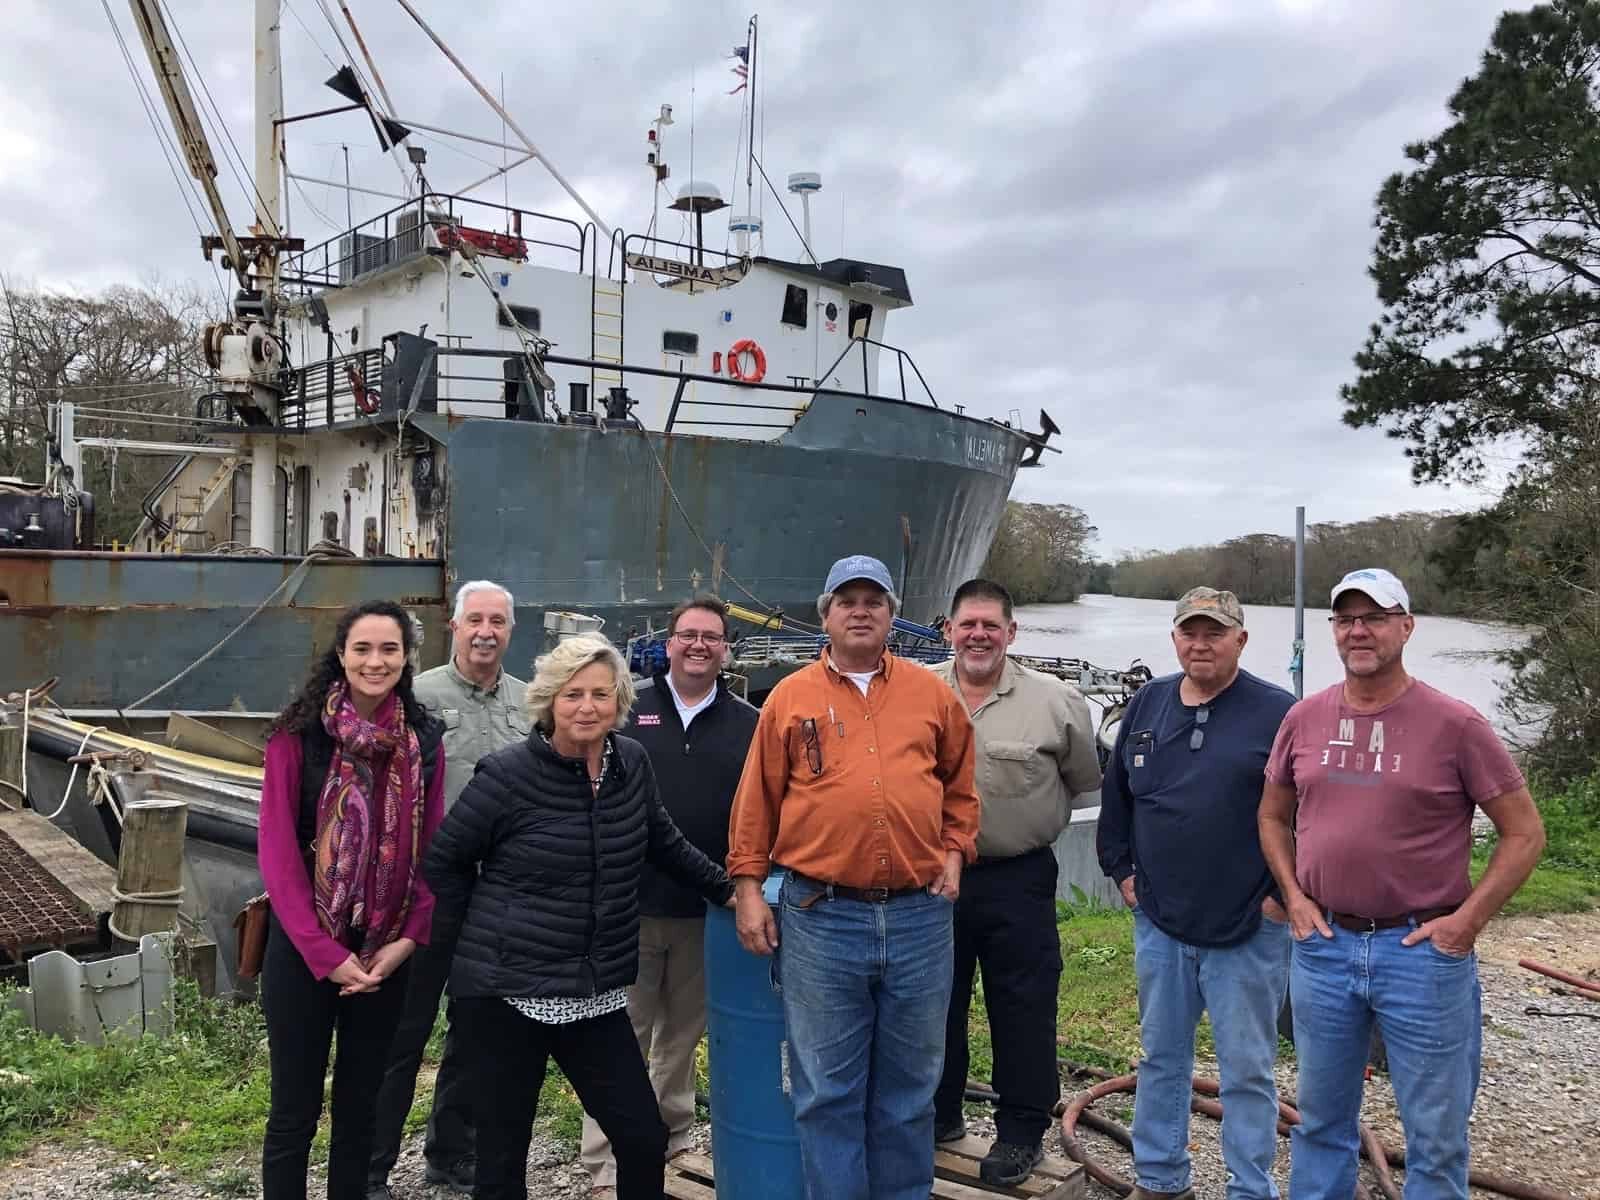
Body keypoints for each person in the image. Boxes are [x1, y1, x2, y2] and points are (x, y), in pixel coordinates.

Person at [1260, 568, 1546, 1200]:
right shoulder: (1304, 718)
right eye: (1346, 619)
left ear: (1406, 627)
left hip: (1420, 952)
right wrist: (1295, 895)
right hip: (1324, 947)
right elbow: (1272, 813)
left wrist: (1467, 922)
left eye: (1376, 617)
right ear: (1333, 630)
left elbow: (1524, 833)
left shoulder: (1456, 724)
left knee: (1435, 1135)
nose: (1359, 631)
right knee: (1321, 1122)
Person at [424, 633, 734, 1200]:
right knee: (502, 1152)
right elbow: (445, 862)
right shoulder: (507, 775)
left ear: (619, 701)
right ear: (549, 702)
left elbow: (662, 841)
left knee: (641, 1137)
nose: (586, 707)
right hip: (507, 992)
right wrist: (460, 954)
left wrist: (729, 891)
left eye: (599, 694)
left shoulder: (630, 763)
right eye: (572, 695)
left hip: (594, 992)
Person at [727, 554, 980, 1200]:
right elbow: (756, 801)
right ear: (826, 614)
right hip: (821, 917)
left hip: (921, 918)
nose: (861, 610)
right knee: (825, 1094)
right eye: (848, 599)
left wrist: (954, 852)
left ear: (894, 615)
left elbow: (960, 785)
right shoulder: (789, 698)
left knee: (909, 1093)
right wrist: (750, 890)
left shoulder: (933, 696)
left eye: (874, 599)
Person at [1097, 587, 1296, 1200]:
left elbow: (1309, 811)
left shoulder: (1279, 712)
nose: (1200, 643)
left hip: (1247, 926)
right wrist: (1122, 872)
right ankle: (1159, 1179)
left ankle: (1250, 1188)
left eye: (1214, 632)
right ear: (1175, 638)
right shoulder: (1149, 702)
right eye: (1190, 632)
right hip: (1160, 921)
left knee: (1246, 1069)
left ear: (1240, 639)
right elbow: (1117, 796)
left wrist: (1283, 897)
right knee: (1161, 1058)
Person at [257, 600, 447, 1200]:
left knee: (360, 1111)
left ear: (406, 657)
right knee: (294, 1111)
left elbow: (430, 851)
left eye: (389, 649)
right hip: (304, 951)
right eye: (362, 648)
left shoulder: (424, 742)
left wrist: (406, 942)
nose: (375, 661)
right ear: (341, 655)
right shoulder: (298, 736)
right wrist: (320, 951)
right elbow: (278, 855)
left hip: (383, 956)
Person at [580, 595, 758, 1195]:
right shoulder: (628, 709)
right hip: (627, 907)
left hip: (705, 910)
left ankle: (674, 1147)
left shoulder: (748, 724)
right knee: (619, 1033)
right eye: (688, 635)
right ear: (669, 643)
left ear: (725, 647)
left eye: (711, 636)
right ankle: (606, 1163)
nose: (698, 645)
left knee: (681, 1038)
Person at [929, 579, 1101, 1185]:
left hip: (1017, 877)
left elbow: (1083, 776)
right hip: (933, 879)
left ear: (1011, 632)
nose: (978, 635)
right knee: (932, 1003)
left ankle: (1022, 1131)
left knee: (1023, 1007)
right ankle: (939, 1115)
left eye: (991, 625)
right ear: (947, 629)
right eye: (967, 624)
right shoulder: (918, 693)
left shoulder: (1055, 701)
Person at [368, 581, 528, 1199]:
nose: (486, 631)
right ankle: (372, 1167)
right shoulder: (417, 696)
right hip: (430, 891)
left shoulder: (529, 703)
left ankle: (450, 1152)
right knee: (402, 1034)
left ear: (510, 631)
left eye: (498, 622)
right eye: (475, 621)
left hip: (500, 897)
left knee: (476, 1031)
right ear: (454, 627)